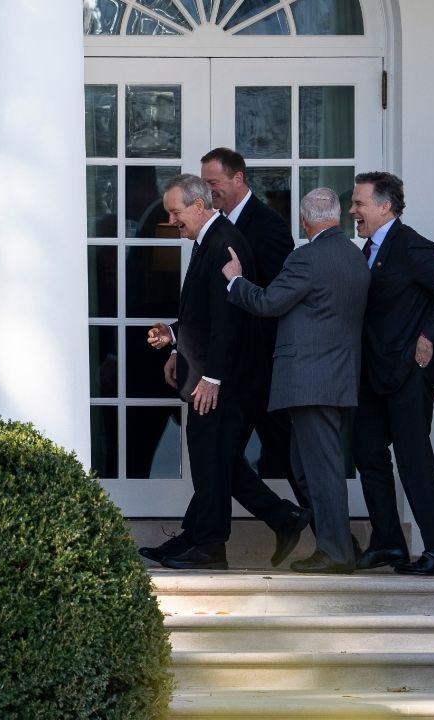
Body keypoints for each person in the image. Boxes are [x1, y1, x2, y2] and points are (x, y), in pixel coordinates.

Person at [140, 174, 309, 570]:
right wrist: (174, 338)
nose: (170, 219)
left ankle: (211, 546)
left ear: (199, 206)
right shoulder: (209, 241)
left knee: (212, 459)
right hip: (215, 375)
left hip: (224, 381)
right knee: (217, 460)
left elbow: (229, 318)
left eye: (175, 211)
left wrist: (211, 378)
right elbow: (203, 315)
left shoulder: (224, 243)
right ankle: (265, 521)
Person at [222, 188, 370, 573]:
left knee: (320, 471)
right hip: (337, 378)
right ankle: (334, 548)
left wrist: (236, 281)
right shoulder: (355, 255)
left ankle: (337, 552)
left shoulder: (306, 257)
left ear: (305, 221)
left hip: (309, 379)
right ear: (335, 216)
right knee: (307, 467)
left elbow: (269, 303)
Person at [350, 171, 434, 575]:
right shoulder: (367, 249)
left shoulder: (412, 245)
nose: (352, 211)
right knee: (367, 452)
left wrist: (430, 336)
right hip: (375, 373)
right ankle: (389, 543)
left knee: (413, 459)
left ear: (385, 206)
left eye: (359, 203)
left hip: (411, 373)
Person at [201, 147, 299, 500]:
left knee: (284, 452)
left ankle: (331, 538)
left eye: (214, 182)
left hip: (261, 365)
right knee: (220, 452)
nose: (208, 190)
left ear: (238, 179)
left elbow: (277, 295)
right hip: (236, 364)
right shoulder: (219, 226)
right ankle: (199, 536)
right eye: (204, 183)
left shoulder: (268, 225)